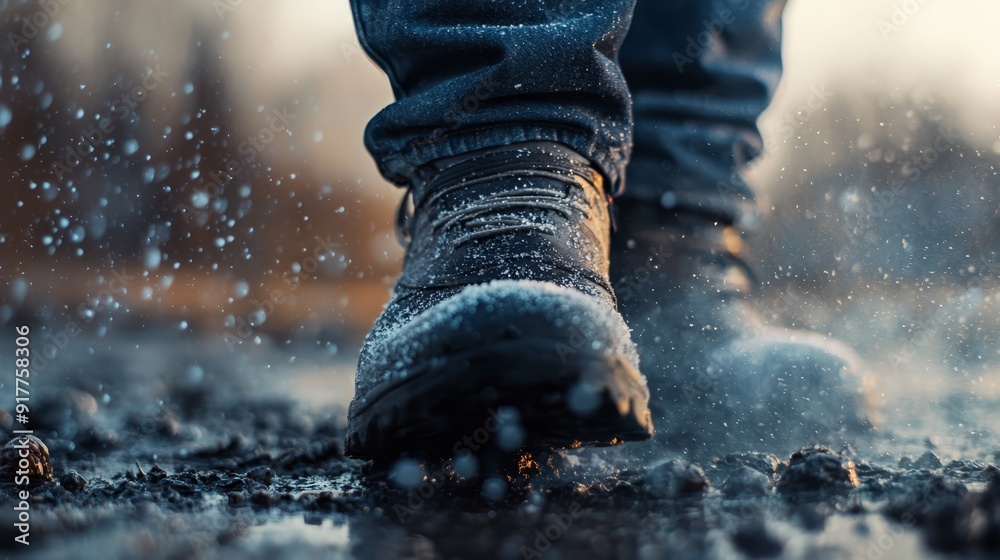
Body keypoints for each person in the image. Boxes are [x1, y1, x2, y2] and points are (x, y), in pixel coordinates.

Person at [344, 0, 870, 460]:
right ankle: (505, 164)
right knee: (512, 140)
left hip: (684, 184)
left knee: (685, 129)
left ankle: (668, 234)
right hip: (486, 149)